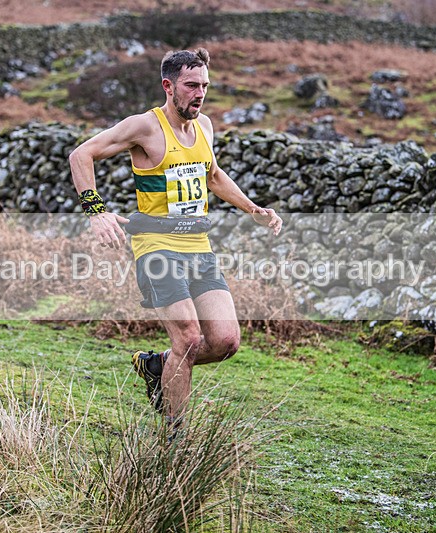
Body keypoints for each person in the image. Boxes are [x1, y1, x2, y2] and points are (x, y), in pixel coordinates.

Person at [69, 48, 282, 426]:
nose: (200, 94)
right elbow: (81, 155)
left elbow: (212, 175)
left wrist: (253, 209)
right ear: (168, 86)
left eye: (205, 86)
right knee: (188, 338)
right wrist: (96, 211)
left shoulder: (205, 126)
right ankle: (174, 441)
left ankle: (158, 366)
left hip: (198, 247)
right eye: (191, 85)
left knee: (225, 342)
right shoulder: (144, 127)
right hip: (157, 247)